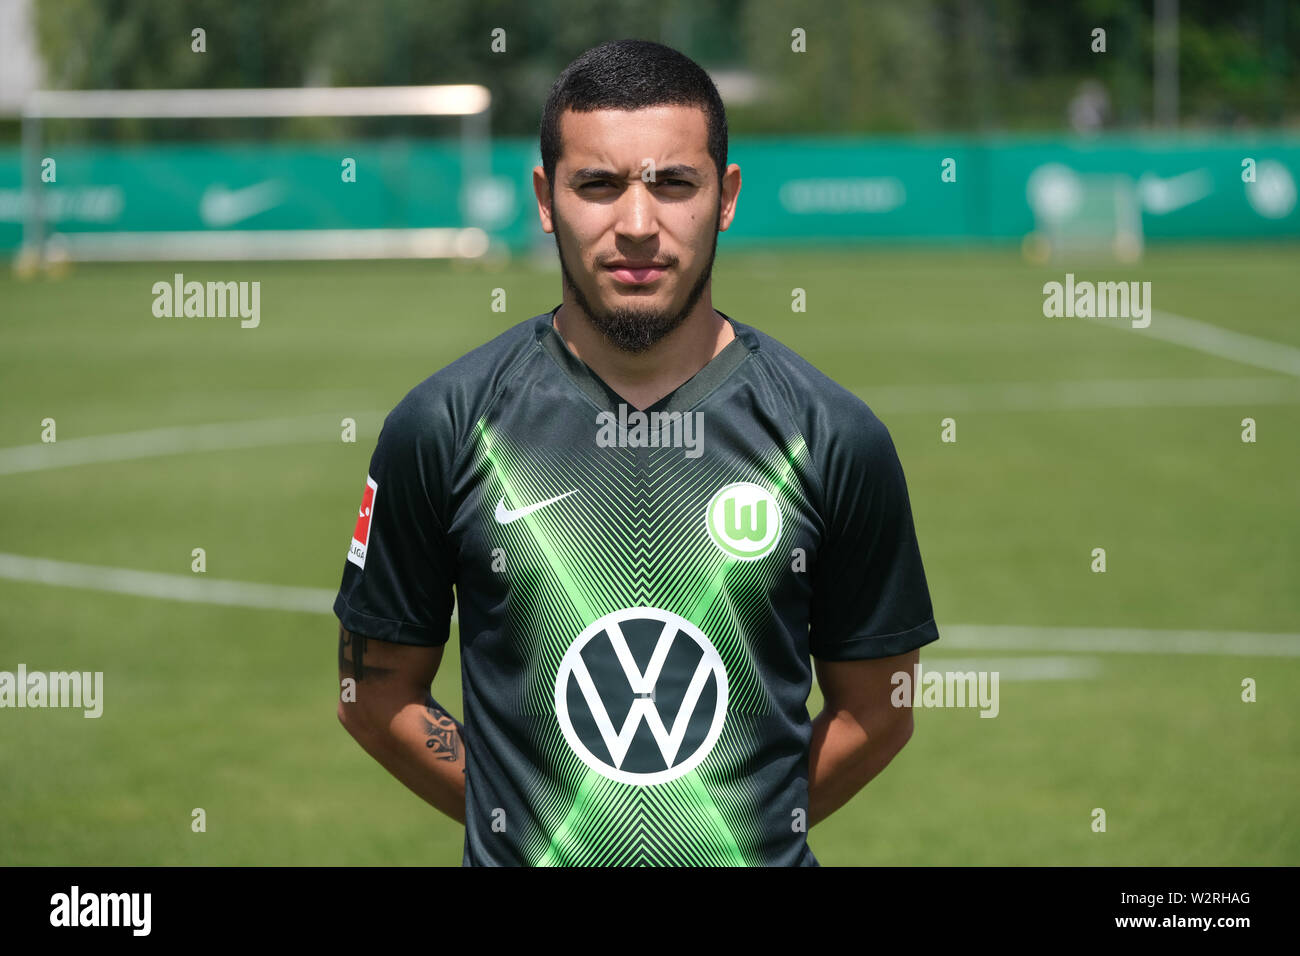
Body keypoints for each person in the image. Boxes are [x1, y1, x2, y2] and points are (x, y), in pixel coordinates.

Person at [334, 38, 939, 866]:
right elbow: (375, 694)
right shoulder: (443, 425)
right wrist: (534, 828)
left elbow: (881, 710)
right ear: (546, 199)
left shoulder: (833, 437)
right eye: (599, 185)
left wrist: (734, 841)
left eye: (673, 183)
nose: (638, 225)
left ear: (724, 197)